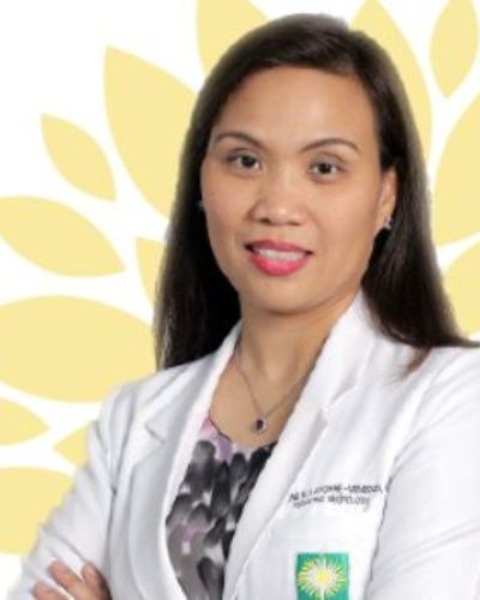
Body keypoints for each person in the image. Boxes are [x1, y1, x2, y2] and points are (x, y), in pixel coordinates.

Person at [10, 12, 480, 600]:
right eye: (245, 160)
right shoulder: (135, 417)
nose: (278, 206)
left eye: (324, 168)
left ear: (386, 195)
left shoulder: (451, 397)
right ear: (201, 181)